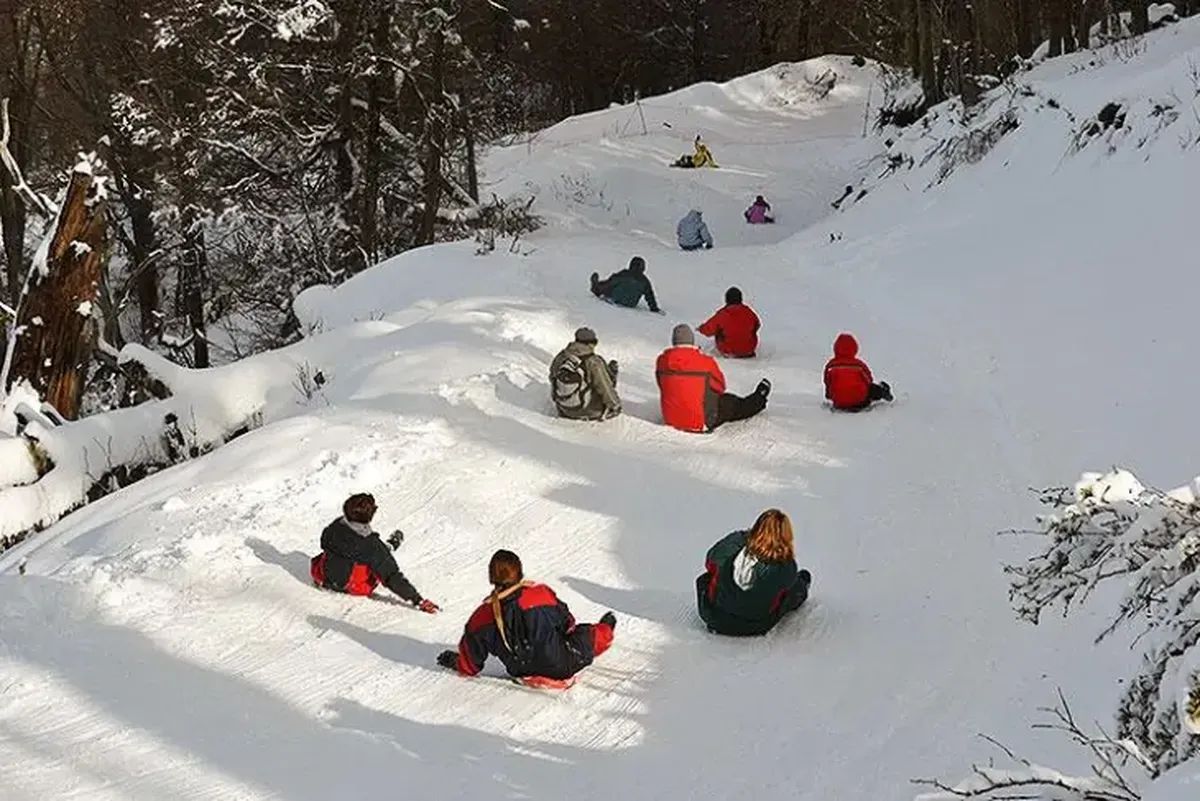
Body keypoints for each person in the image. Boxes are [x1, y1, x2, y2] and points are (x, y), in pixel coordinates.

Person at [437, 550, 616, 688]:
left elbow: (470, 664)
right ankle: (606, 628)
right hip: (561, 665)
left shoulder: (481, 616)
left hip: (521, 670)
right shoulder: (540, 594)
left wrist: (455, 661)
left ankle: (533, 674)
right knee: (587, 634)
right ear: (519, 572)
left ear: (492, 577)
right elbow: (568, 622)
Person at [310, 493, 440, 612]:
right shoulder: (371, 545)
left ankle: (385, 550)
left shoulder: (335, 527)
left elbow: (324, 543)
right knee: (379, 563)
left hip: (323, 576)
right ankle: (389, 547)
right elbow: (391, 577)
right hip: (353, 587)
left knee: (333, 554)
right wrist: (418, 600)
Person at [696, 509, 812, 636]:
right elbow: (785, 587)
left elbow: (710, 563)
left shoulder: (735, 541)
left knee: (706, 579)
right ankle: (803, 585)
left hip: (714, 617)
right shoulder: (786, 566)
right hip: (756, 624)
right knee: (792, 589)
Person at [656, 324, 770, 433]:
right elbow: (720, 387)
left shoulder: (661, 361)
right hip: (700, 421)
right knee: (731, 403)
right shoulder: (706, 362)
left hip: (671, 420)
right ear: (692, 341)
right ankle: (759, 399)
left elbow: (662, 385)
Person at [549, 327, 621, 421]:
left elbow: (552, 377)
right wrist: (615, 406)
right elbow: (604, 387)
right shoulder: (593, 362)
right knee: (606, 376)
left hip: (564, 409)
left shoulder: (562, 356)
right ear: (591, 343)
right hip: (589, 411)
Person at [823, 332, 893, 411]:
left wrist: (830, 394)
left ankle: (842, 399)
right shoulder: (859, 365)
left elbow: (827, 382)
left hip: (839, 403)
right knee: (872, 388)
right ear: (855, 348)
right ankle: (883, 392)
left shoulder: (831, 365)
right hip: (860, 401)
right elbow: (869, 380)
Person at [697, 287, 760, 358]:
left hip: (728, 349)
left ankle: (729, 351)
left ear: (726, 300)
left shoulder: (723, 314)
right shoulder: (749, 312)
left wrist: (701, 328)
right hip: (749, 349)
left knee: (719, 330)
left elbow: (709, 330)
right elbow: (757, 325)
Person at [590, 256, 661, 312]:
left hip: (616, 298)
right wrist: (654, 308)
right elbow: (650, 296)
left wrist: (602, 286)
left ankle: (596, 288)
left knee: (610, 285)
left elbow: (610, 283)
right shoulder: (645, 280)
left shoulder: (624, 273)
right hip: (631, 303)